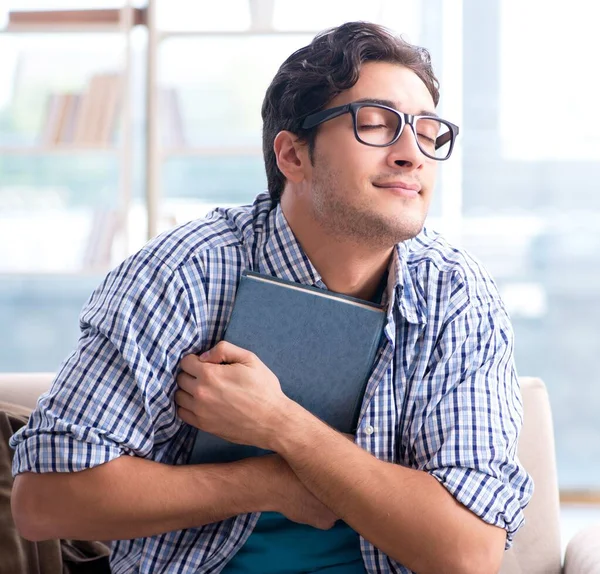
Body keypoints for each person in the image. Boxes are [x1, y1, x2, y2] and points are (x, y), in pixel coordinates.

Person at [9, 21, 533, 574]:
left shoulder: (458, 297)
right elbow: (44, 503)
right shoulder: (185, 273)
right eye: (376, 125)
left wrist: (283, 426)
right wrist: (263, 484)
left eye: (427, 133)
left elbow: (470, 556)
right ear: (293, 156)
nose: (412, 155)